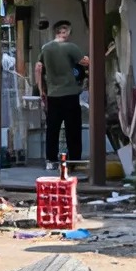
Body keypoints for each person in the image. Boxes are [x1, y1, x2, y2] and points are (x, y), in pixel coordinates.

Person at [35, 21, 90, 171]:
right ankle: (74, 161)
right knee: (73, 129)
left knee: (53, 128)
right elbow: (85, 62)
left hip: (53, 94)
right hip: (70, 93)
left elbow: (38, 68)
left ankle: (51, 160)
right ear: (65, 32)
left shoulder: (45, 49)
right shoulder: (71, 47)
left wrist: (41, 90)